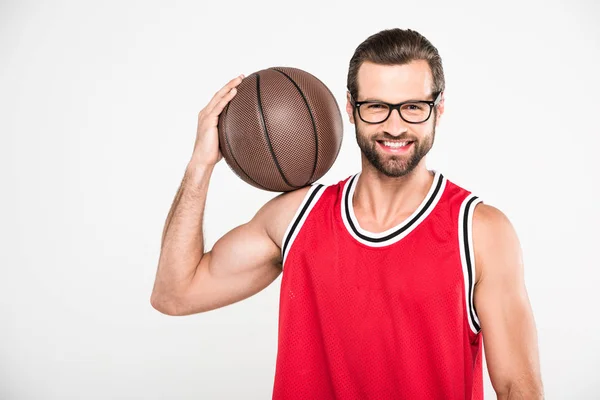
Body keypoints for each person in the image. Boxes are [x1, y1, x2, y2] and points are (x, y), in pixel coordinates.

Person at [151, 28, 543, 399]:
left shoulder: (479, 233)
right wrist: (199, 167)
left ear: (438, 109)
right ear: (351, 109)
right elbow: (174, 294)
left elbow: (518, 389)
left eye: (412, 107)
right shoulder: (296, 217)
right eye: (376, 107)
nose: (394, 126)